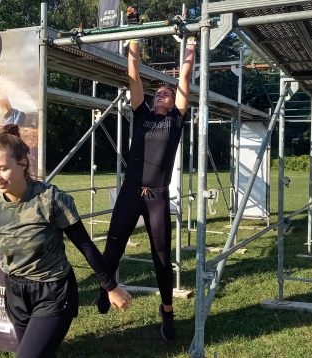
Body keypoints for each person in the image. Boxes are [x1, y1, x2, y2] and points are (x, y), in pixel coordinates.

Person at [0, 124, 132, 357]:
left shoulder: (50, 199)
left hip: (54, 292)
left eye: (2, 168)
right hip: (16, 295)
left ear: (22, 164)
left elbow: (85, 245)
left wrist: (111, 287)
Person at [96, 36, 197, 341]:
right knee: (113, 247)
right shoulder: (141, 115)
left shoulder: (177, 120)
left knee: (162, 258)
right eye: (159, 93)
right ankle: (106, 287)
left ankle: (167, 312)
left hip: (156, 197)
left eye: (167, 93)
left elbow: (185, 78)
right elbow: (133, 75)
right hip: (130, 191)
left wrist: (190, 48)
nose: (162, 95)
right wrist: (134, 46)